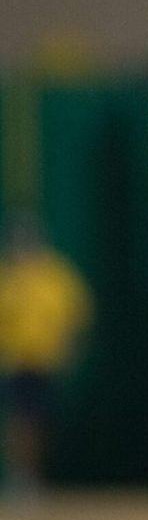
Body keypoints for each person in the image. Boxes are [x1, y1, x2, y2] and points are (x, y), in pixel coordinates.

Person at [0, 216, 92, 505]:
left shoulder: (56, 277)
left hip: (46, 363)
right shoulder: (8, 280)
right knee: (21, 421)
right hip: (16, 364)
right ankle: (21, 479)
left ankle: (31, 478)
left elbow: (76, 316)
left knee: (39, 422)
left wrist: (70, 349)